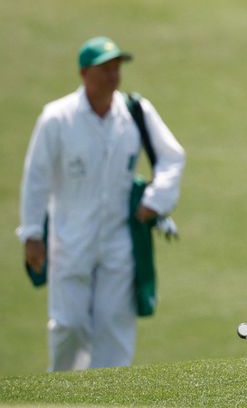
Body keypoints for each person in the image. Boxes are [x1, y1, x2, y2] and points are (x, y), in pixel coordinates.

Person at [17, 36, 186, 372]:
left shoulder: (135, 111)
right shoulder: (57, 118)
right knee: (69, 325)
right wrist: (32, 235)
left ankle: (111, 397)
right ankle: (62, 393)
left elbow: (172, 157)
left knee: (114, 328)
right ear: (84, 73)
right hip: (69, 238)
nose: (113, 76)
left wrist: (156, 200)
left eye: (116, 68)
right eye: (104, 69)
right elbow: (35, 178)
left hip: (118, 241)